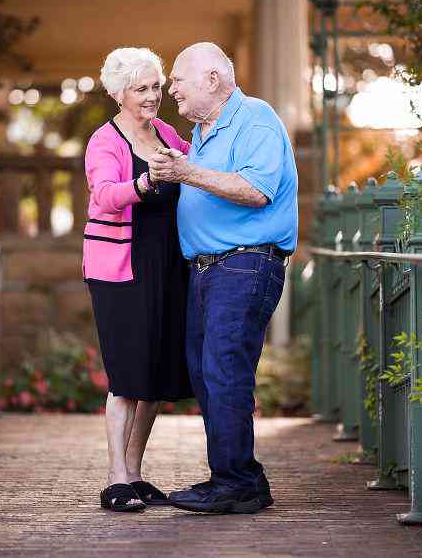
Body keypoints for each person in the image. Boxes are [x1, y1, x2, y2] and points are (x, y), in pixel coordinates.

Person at [148, 42, 298, 514]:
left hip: (245, 263)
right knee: (208, 373)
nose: (171, 88)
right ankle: (233, 478)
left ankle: (239, 483)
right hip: (211, 268)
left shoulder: (255, 118)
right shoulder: (203, 131)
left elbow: (256, 189)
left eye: (177, 79)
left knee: (223, 369)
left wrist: (186, 172)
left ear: (212, 80)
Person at [82, 47, 193, 512]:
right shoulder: (104, 141)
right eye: (140, 88)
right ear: (119, 93)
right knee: (127, 375)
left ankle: (134, 473)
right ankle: (115, 479)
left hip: (169, 264)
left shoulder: (166, 132)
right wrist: (146, 183)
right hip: (121, 268)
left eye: (156, 86)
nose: (152, 96)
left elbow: (197, 168)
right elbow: (105, 195)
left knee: (157, 375)